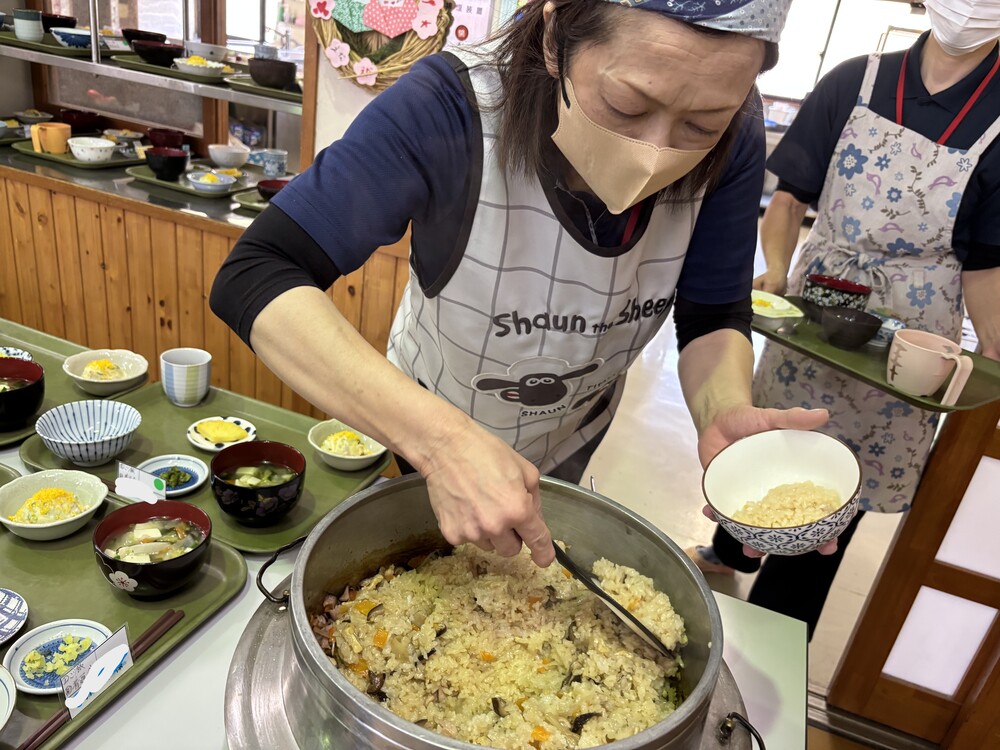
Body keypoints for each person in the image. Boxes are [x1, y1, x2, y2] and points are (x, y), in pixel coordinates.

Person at [211, 0, 829, 568]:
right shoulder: (450, 107)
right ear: (556, 37)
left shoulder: (736, 128)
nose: (655, 152)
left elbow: (713, 313)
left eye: (700, 126)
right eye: (626, 106)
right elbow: (258, 271)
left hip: (571, 433)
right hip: (423, 428)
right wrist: (439, 444)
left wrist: (722, 410)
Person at [688, 0, 1000, 640]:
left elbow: (985, 265)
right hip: (815, 309)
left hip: (913, 335)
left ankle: (775, 633)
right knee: (769, 437)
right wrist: (776, 271)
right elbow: (788, 200)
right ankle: (729, 551)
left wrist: (994, 348)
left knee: (841, 490)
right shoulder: (855, 80)